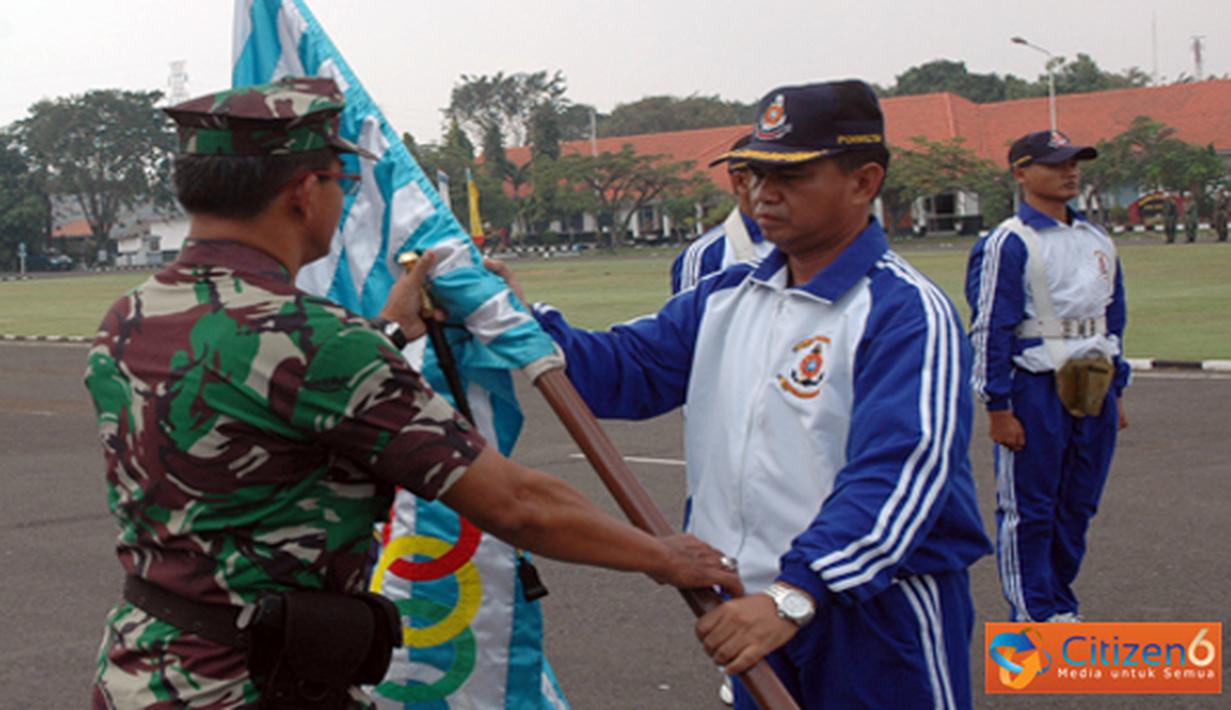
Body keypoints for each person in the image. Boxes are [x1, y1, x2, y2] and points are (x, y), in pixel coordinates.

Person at [84, 78, 740, 710]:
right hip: (253, 684)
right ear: (305, 192)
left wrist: (391, 330)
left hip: (146, 664)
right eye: (342, 183)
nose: (343, 201)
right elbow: (516, 504)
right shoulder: (315, 339)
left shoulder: (130, 317)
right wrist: (661, 554)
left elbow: (263, 390)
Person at [495, 81, 991, 709]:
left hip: (868, 611)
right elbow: (623, 370)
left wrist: (796, 594)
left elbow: (897, 476)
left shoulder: (905, 311)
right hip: (749, 611)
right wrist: (516, 317)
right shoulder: (724, 297)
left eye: (793, 174)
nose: (763, 192)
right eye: (755, 171)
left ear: (864, 182)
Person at [966, 129, 1130, 625]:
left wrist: (1117, 388)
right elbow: (992, 324)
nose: (1070, 171)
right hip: (1034, 385)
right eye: (1056, 163)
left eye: (1075, 163)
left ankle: (1059, 599)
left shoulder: (1096, 238)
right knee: (1031, 507)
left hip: (1094, 381)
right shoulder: (1009, 242)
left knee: (1078, 502)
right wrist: (997, 405)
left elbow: (1112, 316)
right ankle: (1033, 610)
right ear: (1021, 172)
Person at [670, 134, 774, 294]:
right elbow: (691, 318)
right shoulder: (707, 255)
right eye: (773, 176)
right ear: (740, 182)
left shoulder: (816, 243)